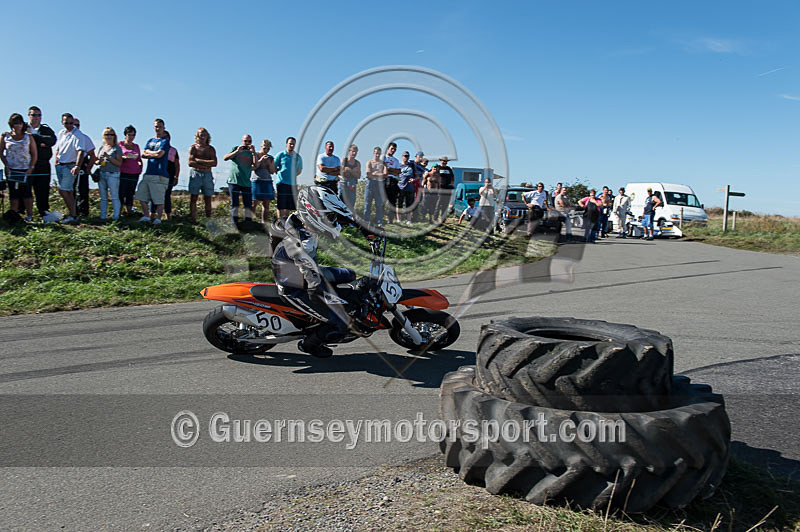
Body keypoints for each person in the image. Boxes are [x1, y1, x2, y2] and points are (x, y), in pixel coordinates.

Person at [271, 185, 362, 358]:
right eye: (330, 217)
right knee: (342, 322)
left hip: (303, 270)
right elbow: (306, 267)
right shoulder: (301, 242)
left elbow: (344, 217)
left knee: (350, 274)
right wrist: (317, 288)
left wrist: (362, 227)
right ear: (313, 214)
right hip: (295, 287)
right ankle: (309, 344)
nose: (333, 221)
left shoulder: (294, 220)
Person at [0, 113, 38, 220]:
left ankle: (29, 215)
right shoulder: (5, 136)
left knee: (27, 192)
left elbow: (34, 153)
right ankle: (14, 215)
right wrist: (6, 165)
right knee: (13, 193)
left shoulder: (28, 137)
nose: (17, 125)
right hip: (11, 169)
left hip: (25, 169)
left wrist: (31, 167)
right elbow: (1, 152)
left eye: (19, 123)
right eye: (15, 123)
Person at [53, 113, 88, 223]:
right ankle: (73, 214)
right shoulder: (61, 133)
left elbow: (81, 151)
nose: (69, 125)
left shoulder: (78, 134)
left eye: (71, 123)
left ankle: (73, 215)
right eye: (66, 123)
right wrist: (56, 162)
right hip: (60, 165)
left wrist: (77, 165)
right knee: (67, 191)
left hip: (70, 165)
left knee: (64, 190)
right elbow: (59, 148)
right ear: (62, 122)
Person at [135, 118, 171, 224]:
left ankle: (158, 218)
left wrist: (150, 153)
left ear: (164, 127)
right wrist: (153, 153)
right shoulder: (150, 140)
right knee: (141, 195)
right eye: (156, 126)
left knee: (158, 198)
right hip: (148, 172)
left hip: (160, 174)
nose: (158, 128)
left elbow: (160, 154)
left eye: (160, 126)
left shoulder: (165, 141)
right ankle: (146, 216)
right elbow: (143, 154)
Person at [26, 106, 57, 218]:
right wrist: (41, 142)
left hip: (43, 164)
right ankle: (24, 212)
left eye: (39, 115)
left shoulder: (46, 129)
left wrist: (34, 137)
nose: (36, 117)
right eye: (34, 115)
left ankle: (43, 211)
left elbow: (52, 141)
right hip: (26, 164)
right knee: (25, 189)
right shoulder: (23, 128)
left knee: (43, 189)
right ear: (29, 115)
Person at [187, 127, 217, 222]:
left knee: (208, 198)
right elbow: (190, 163)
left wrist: (198, 160)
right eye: (200, 134)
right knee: (193, 197)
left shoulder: (211, 149)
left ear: (207, 136)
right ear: (197, 136)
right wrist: (206, 163)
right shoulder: (193, 148)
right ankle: (193, 218)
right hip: (196, 173)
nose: (202, 136)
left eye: (204, 134)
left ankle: (208, 219)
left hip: (207, 174)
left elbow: (214, 163)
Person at [224, 134, 255, 224]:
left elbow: (256, 165)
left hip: (246, 181)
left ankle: (248, 222)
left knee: (248, 204)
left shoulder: (251, 152)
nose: (247, 143)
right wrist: (237, 151)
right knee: (235, 203)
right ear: (242, 141)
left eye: (249, 141)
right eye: (245, 141)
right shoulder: (236, 148)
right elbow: (225, 158)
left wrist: (254, 153)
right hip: (234, 180)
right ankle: (235, 222)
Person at [95, 127, 123, 220]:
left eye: (111, 134)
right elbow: (96, 160)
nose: (109, 136)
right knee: (103, 197)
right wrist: (98, 161)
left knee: (114, 196)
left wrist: (109, 157)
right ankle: (103, 216)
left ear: (114, 136)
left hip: (113, 174)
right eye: (107, 134)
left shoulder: (117, 148)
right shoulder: (101, 147)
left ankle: (116, 217)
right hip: (102, 173)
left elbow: (119, 163)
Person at [151, 131, 179, 220]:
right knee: (154, 194)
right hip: (157, 173)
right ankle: (152, 214)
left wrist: (176, 177)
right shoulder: (156, 149)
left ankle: (167, 215)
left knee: (167, 195)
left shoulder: (173, 150)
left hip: (169, 175)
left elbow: (177, 164)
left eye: (167, 137)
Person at [72, 117, 96, 217]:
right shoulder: (64, 136)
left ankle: (83, 212)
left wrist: (88, 169)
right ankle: (73, 211)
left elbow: (93, 156)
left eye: (77, 125)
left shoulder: (84, 138)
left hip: (81, 165)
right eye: (73, 124)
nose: (75, 127)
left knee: (82, 190)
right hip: (68, 164)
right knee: (70, 190)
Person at [274, 136, 302, 219]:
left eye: (293, 144)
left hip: (292, 184)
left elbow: (299, 170)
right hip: (281, 183)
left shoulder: (297, 157)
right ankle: (279, 222)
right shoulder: (281, 155)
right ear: (286, 144)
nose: (291, 145)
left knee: (288, 206)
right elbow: (274, 166)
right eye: (290, 144)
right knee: (281, 205)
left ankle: (285, 222)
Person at [119, 125, 142, 216]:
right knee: (121, 192)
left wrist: (140, 168)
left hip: (134, 173)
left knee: (130, 193)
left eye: (133, 135)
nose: (131, 137)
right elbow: (116, 155)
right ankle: (119, 212)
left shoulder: (136, 146)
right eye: (129, 134)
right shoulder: (120, 144)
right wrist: (124, 157)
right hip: (123, 172)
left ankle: (129, 212)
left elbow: (139, 159)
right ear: (125, 135)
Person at [252, 139, 276, 224]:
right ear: (261, 146)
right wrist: (261, 160)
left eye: (268, 149)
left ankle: (264, 223)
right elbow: (253, 167)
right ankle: (249, 221)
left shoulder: (270, 158)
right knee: (254, 202)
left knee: (266, 204)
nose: (266, 150)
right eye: (264, 148)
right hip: (257, 180)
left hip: (267, 181)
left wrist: (269, 163)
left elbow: (272, 171)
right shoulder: (255, 155)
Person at [363, 146, 385, 225]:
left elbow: (384, 175)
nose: (377, 155)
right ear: (373, 153)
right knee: (367, 203)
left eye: (379, 153)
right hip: (370, 183)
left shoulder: (382, 163)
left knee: (379, 204)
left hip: (379, 184)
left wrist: (375, 173)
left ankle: (379, 221)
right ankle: (366, 221)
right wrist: (378, 174)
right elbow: (368, 174)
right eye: (376, 153)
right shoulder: (369, 162)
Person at [396, 151, 416, 224]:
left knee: (409, 205)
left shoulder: (412, 165)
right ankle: (399, 220)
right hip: (400, 187)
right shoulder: (398, 165)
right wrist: (398, 180)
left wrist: (413, 179)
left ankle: (409, 220)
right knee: (399, 204)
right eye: (404, 156)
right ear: (402, 156)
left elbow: (416, 176)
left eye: (407, 156)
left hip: (410, 187)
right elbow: (396, 175)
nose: (406, 157)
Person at [339, 144, 360, 209]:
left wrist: (349, 170)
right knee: (340, 203)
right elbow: (340, 173)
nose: (354, 153)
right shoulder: (344, 161)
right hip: (343, 183)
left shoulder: (357, 163)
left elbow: (358, 176)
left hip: (352, 184)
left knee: (351, 205)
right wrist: (353, 171)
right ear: (349, 151)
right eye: (353, 151)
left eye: (356, 152)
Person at [383, 142, 401, 209]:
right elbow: (381, 169)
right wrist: (393, 171)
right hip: (384, 180)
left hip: (393, 181)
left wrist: (389, 169)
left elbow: (399, 171)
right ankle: (380, 215)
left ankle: (391, 216)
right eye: (392, 148)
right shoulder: (383, 158)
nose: (393, 150)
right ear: (388, 148)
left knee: (393, 202)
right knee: (382, 201)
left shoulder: (396, 160)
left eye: (395, 149)